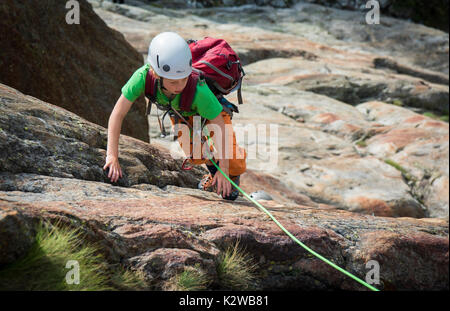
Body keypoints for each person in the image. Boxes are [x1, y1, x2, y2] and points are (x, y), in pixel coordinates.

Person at [103, 32, 247, 201]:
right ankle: (213, 172)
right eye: (173, 82)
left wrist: (224, 169)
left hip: (212, 112)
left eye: (183, 79)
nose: (179, 86)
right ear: (156, 74)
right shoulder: (142, 77)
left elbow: (220, 125)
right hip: (182, 113)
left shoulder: (198, 89)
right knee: (195, 155)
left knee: (231, 159)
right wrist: (111, 155)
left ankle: (231, 176)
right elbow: (117, 114)